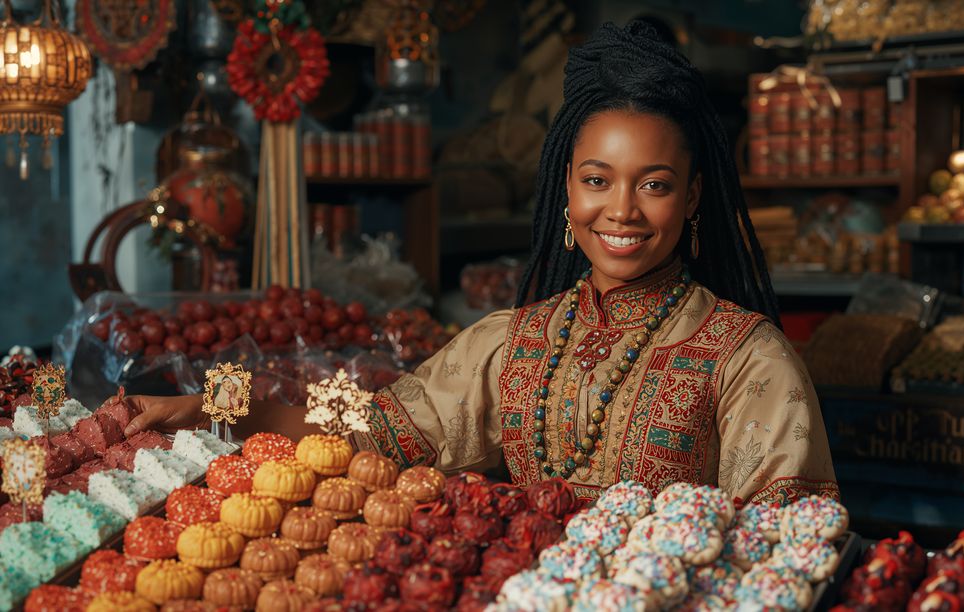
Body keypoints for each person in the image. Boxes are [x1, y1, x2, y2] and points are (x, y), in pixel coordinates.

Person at [126, 21, 837, 505]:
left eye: (653, 185)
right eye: (597, 179)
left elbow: (788, 551)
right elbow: (367, 424)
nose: (621, 210)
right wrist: (218, 401)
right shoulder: (514, 342)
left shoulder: (748, 359)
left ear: (692, 198)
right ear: (565, 189)